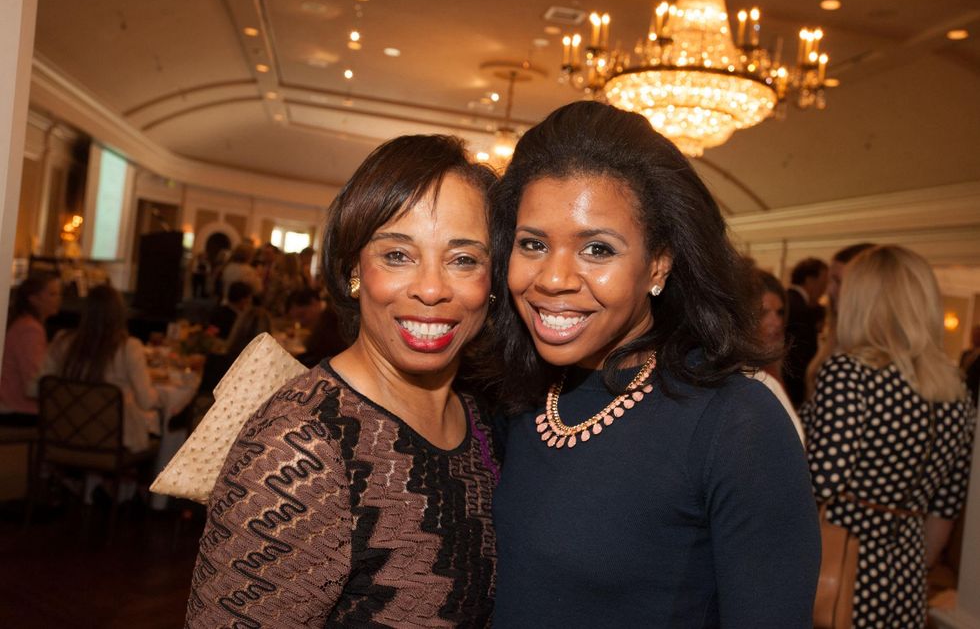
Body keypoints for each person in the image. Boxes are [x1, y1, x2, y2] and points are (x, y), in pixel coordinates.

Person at [489, 101, 819, 627]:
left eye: (597, 249)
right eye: (532, 244)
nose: (552, 279)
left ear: (659, 263)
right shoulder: (519, 395)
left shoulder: (737, 422)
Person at [185, 134, 499, 626]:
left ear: (493, 279)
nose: (431, 288)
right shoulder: (299, 446)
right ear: (355, 268)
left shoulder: (484, 413)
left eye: (463, 259)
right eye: (398, 255)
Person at [802, 245, 975, 628]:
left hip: (844, 570)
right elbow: (945, 508)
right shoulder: (955, 389)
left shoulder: (851, 373)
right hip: (908, 576)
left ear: (863, 300)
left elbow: (820, 482)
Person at [33, 284, 160, 452]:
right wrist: (163, 395)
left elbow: (36, 388)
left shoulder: (63, 341)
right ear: (120, 314)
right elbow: (146, 401)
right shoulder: (129, 347)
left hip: (65, 434)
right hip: (113, 442)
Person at [804, 242, 875, 402]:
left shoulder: (867, 358)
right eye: (829, 281)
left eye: (838, 281)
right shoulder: (836, 338)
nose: (829, 290)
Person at [749, 267, 803, 444]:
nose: (776, 322)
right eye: (763, 312)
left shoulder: (772, 369)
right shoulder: (750, 376)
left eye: (780, 312)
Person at [0, 273, 62, 426]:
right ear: (34, 299)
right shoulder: (30, 330)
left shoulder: (24, 324)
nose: (59, 299)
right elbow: (33, 382)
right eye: (52, 294)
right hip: (18, 409)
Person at [783, 257, 828, 406]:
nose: (825, 290)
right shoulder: (801, 309)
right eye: (823, 284)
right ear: (810, 280)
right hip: (794, 390)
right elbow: (801, 356)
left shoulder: (786, 299)